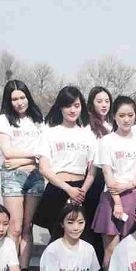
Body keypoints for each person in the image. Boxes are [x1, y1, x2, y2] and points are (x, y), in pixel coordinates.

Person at [92, 96, 136, 271]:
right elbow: (107, 173)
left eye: (130, 115)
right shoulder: (107, 141)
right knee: (112, 250)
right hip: (112, 199)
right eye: (122, 115)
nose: (126, 119)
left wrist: (129, 185)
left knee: (130, 249)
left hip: (134, 196)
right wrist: (117, 201)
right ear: (114, 116)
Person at [0, 80, 44, 271]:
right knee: (14, 228)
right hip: (13, 177)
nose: (19, 102)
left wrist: (24, 160)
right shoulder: (4, 120)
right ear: (9, 101)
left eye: (22, 97)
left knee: (27, 227)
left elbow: (44, 152)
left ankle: (24, 270)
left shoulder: (38, 120)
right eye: (14, 99)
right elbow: (8, 152)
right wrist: (34, 155)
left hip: (35, 177)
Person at [34, 86, 97, 237]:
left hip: (81, 191)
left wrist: (81, 192)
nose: (73, 110)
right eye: (68, 106)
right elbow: (43, 168)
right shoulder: (50, 133)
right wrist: (68, 189)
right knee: (57, 238)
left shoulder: (88, 135)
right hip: (57, 189)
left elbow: (92, 169)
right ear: (60, 107)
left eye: (76, 105)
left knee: (80, 238)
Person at [81, 86, 113, 264]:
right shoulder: (87, 128)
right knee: (94, 222)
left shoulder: (112, 125)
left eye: (107, 101)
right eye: (99, 101)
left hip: (111, 176)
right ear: (91, 103)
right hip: (94, 177)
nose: (104, 105)